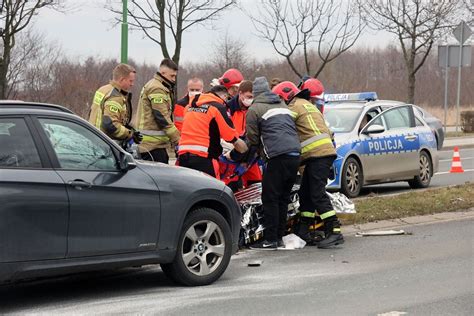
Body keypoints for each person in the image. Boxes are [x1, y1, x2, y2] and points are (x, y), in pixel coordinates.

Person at [273, 81, 344, 248]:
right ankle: (304, 231)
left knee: (317, 193)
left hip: (317, 155)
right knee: (306, 194)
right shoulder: (308, 105)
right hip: (321, 154)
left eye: (279, 99)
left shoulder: (293, 108)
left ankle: (334, 231)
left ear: (286, 96)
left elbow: (280, 125)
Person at [244, 77, 300, 250]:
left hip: (277, 156)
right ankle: (280, 236)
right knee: (283, 197)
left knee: (270, 198)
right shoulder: (283, 105)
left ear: (255, 93)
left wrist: (245, 157)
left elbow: (252, 139)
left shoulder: (254, 109)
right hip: (295, 154)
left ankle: (270, 240)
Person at [177, 85, 248, 178]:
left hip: (182, 156)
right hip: (205, 158)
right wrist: (245, 150)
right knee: (212, 190)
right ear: (225, 97)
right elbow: (230, 136)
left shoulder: (189, 107)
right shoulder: (217, 107)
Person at [134, 58, 180, 163]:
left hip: (152, 146)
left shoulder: (155, 85)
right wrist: (177, 139)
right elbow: (162, 117)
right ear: (163, 73)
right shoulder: (157, 88)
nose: (174, 79)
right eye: (172, 76)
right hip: (153, 147)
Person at [88, 63, 142, 146]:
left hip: (93, 138)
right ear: (122, 80)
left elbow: (93, 113)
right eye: (130, 81)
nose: (132, 84)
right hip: (104, 143)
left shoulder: (103, 89)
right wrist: (130, 134)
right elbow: (110, 125)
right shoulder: (115, 96)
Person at [223, 80, 262, 189]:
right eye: (248, 96)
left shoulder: (254, 110)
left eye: (253, 97)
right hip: (231, 152)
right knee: (233, 186)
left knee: (256, 184)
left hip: (250, 153)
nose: (250, 99)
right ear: (240, 93)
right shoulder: (228, 108)